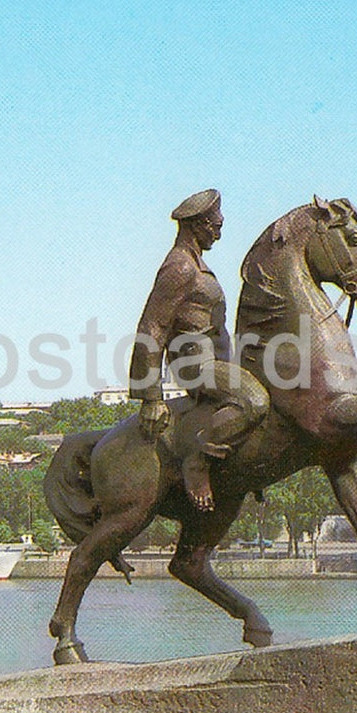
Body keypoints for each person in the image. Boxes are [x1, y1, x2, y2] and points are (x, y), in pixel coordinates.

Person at [130, 189, 267, 511]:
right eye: (215, 227)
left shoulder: (196, 264)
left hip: (216, 362)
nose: (219, 234)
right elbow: (152, 328)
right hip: (196, 366)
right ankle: (197, 461)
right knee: (255, 400)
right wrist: (151, 396)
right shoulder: (180, 268)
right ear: (198, 225)